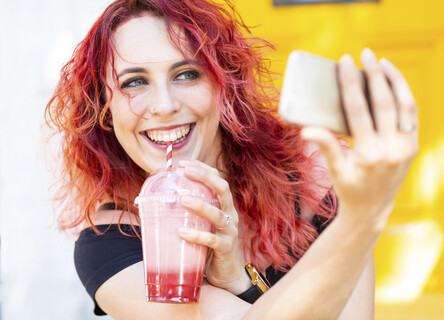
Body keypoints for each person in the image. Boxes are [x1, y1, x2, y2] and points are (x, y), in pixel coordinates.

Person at [45, 0, 418, 319]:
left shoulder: (314, 177)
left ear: (224, 86)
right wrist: (363, 218)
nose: (164, 106)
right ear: (104, 110)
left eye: (187, 74)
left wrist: (239, 282)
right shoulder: (112, 239)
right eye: (134, 82)